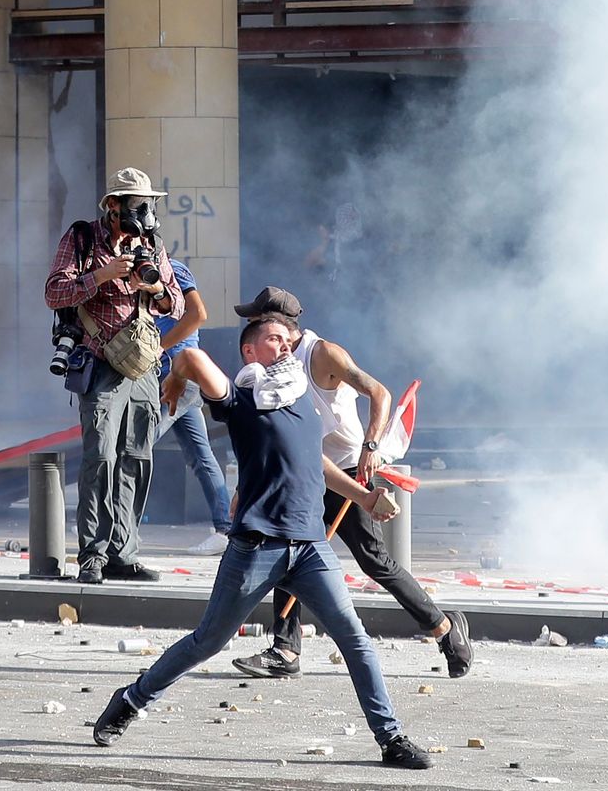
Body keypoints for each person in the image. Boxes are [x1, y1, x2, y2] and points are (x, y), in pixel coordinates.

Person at [89, 315, 432, 771]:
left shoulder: (304, 404)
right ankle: (131, 698)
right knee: (207, 642)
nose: (286, 345)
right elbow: (191, 356)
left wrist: (366, 497)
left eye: (288, 338)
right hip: (256, 548)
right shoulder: (242, 399)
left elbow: (319, 462)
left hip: (309, 548)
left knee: (355, 638)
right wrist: (173, 379)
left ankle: (391, 739)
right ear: (250, 352)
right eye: (273, 339)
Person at [227, 287, 471, 681]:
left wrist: (370, 446)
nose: (252, 327)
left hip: (346, 468)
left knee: (373, 560)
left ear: (278, 324)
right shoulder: (269, 367)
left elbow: (380, 392)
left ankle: (443, 627)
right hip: (305, 472)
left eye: (259, 320)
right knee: (289, 549)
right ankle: (285, 650)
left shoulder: (321, 353)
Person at [45, 167, 184, 585]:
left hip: (142, 367)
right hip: (100, 363)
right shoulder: (82, 239)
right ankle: (93, 554)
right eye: (137, 205)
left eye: (149, 205)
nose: (144, 213)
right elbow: (53, 292)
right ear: (113, 206)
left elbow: (175, 304)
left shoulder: (152, 244)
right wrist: (102, 275)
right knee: (100, 458)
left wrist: (154, 289)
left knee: (137, 458)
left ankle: (124, 552)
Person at [153, 257, 232, 556]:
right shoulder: (137, 272)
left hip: (178, 375)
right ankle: (224, 528)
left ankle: (113, 526)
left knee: (135, 448)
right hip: (173, 374)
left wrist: (159, 349)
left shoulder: (172, 269)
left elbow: (198, 314)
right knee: (201, 455)